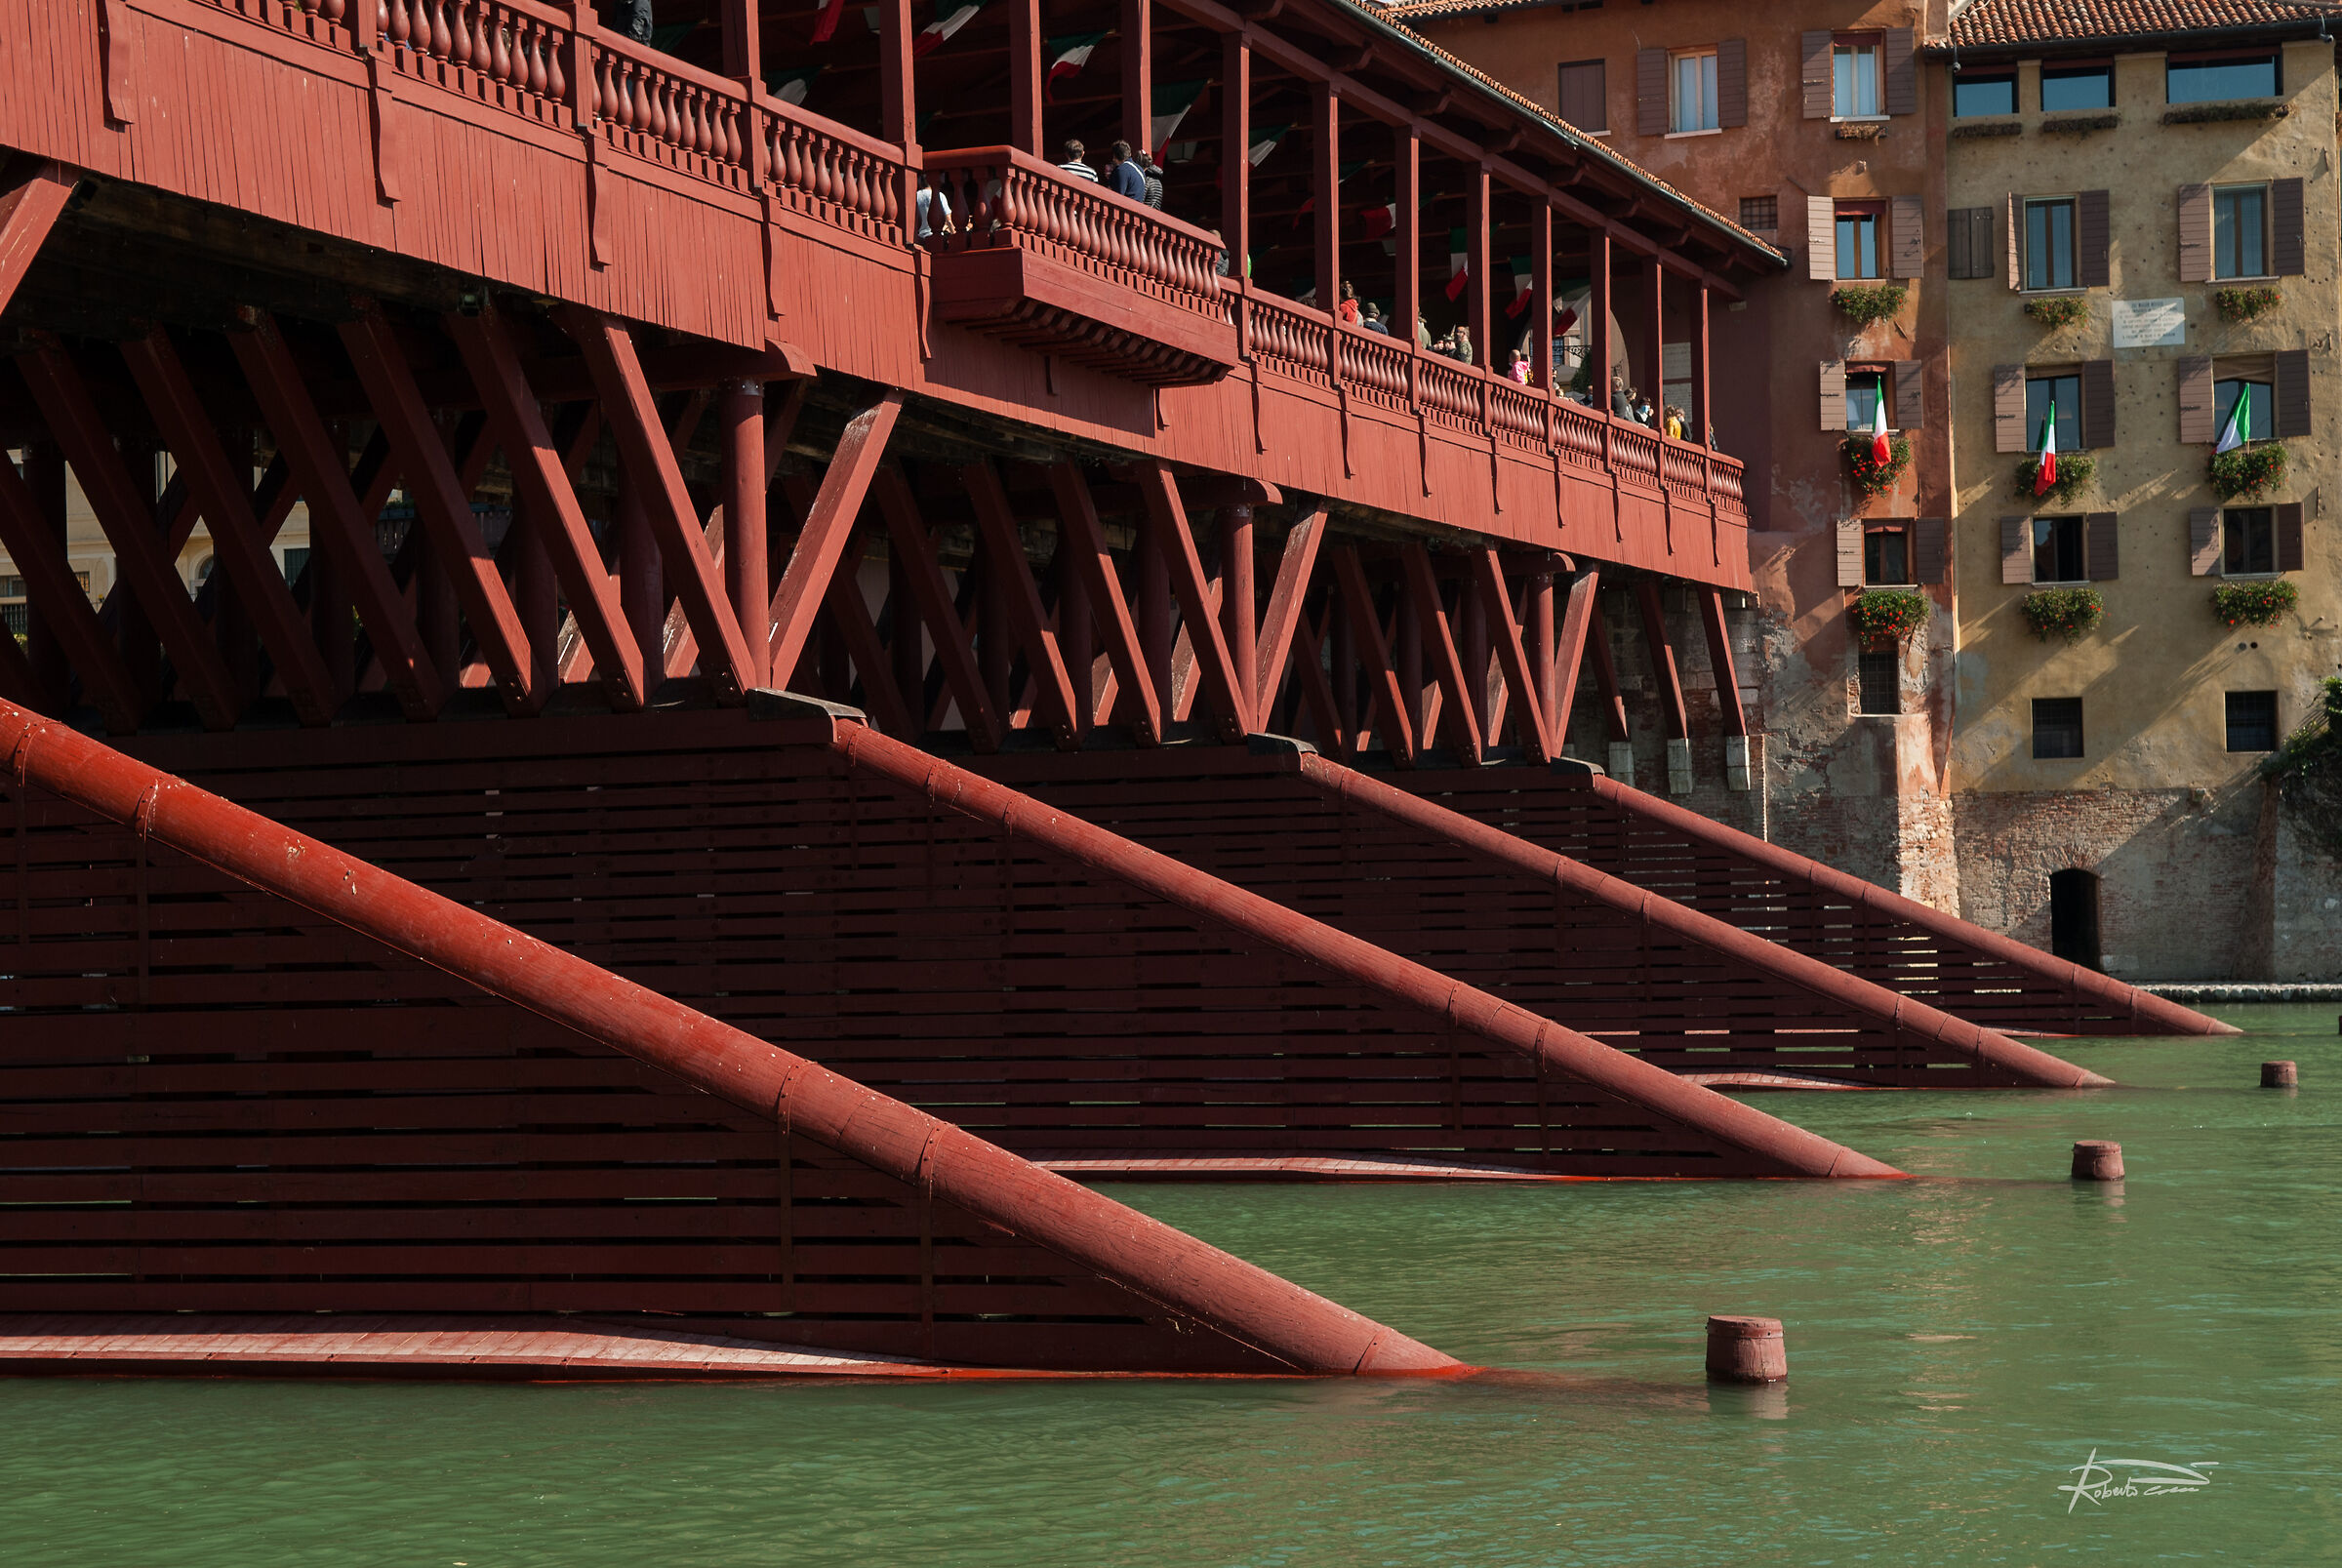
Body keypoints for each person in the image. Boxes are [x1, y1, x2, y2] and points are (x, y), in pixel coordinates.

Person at [913, 176, 951, 242]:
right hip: (936, 237)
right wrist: (955, 234)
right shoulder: (940, 195)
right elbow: (948, 219)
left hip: (919, 238)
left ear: (919, 182)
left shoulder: (915, 196)